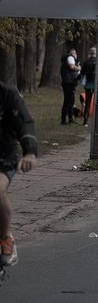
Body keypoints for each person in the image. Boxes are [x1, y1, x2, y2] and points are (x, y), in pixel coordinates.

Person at [0, 81, 38, 273]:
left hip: (3, 159)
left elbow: (25, 122)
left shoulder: (7, 94)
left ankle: (6, 238)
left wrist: (29, 151)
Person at [60, 48, 81, 125]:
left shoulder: (67, 59)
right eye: (75, 53)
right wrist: (78, 68)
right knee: (68, 101)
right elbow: (72, 67)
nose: (76, 55)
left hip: (68, 82)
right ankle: (64, 119)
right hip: (69, 82)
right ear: (72, 53)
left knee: (70, 101)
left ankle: (70, 118)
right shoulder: (70, 58)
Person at [80, 47, 97, 126]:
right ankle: (97, 120)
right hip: (96, 85)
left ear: (90, 53)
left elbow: (82, 73)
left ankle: (85, 120)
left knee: (87, 102)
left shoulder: (86, 62)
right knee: (97, 102)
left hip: (88, 85)